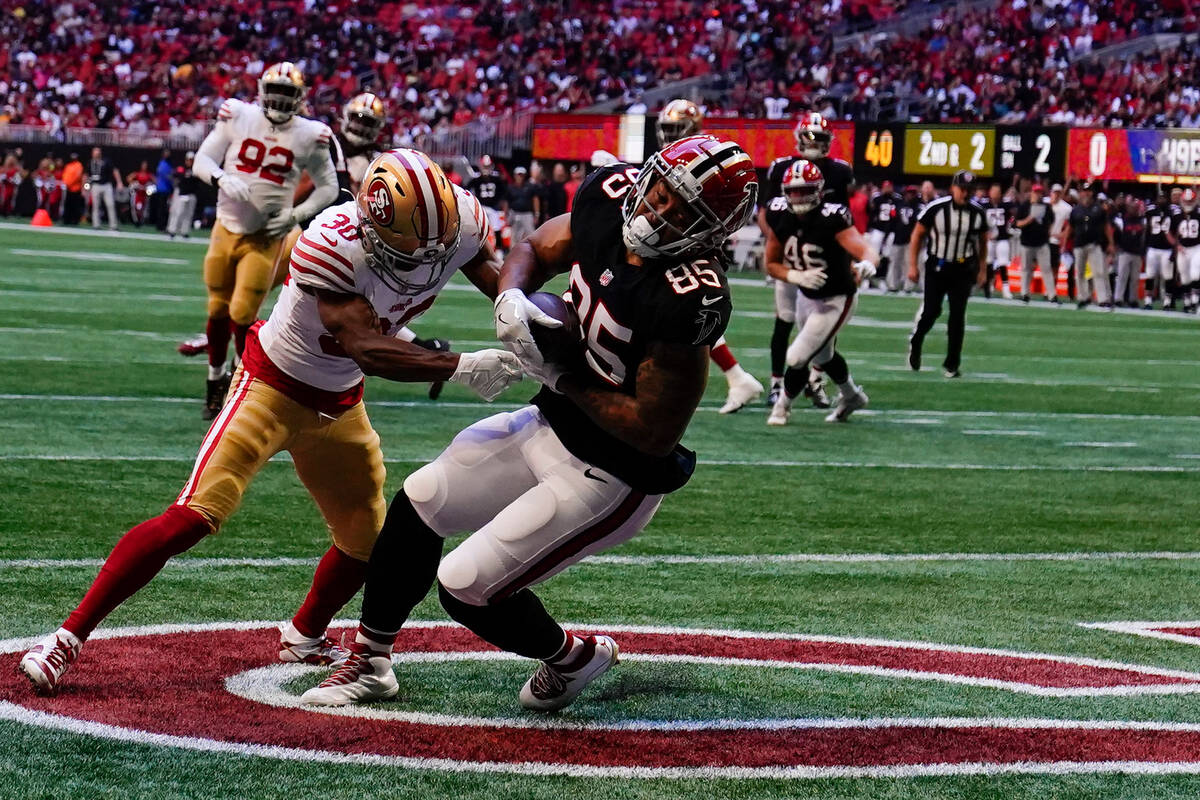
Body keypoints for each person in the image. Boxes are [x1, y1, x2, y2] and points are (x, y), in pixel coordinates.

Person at [18, 149, 523, 696]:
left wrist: (525, 318)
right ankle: (66, 637)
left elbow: (495, 275)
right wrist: (459, 365)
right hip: (273, 387)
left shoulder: (459, 219)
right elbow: (365, 347)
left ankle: (304, 634)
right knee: (194, 516)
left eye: (441, 240)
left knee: (365, 541)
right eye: (414, 246)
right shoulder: (333, 242)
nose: (432, 256)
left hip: (340, 401)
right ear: (373, 228)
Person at [298, 135, 758, 712]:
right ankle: (370, 659)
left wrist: (563, 374)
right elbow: (538, 247)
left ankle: (573, 659)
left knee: (466, 587)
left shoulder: (688, 295)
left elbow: (651, 430)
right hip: (551, 420)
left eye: (680, 208)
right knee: (422, 499)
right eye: (660, 190)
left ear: (714, 228)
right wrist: (512, 297)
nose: (658, 209)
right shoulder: (611, 197)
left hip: (611, 471)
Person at [191, 61, 340, 418]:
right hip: (225, 227)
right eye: (275, 91)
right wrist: (221, 179)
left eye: (288, 93)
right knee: (215, 309)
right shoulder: (237, 115)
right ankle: (215, 380)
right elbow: (203, 159)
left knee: (242, 314)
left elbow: (329, 187)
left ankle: (243, 385)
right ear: (261, 90)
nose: (279, 99)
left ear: (300, 97)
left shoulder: (310, 133)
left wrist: (294, 215)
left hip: (265, 237)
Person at [638, 97, 762, 414]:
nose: (669, 134)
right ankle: (737, 377)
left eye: (676, 128)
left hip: (688, 242)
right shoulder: (671, 156)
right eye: (666, 128)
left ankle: (734, 378)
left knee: (685, 319)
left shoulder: (704, 157)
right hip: (671, 240)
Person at [763, 160, 878, 426]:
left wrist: (868, 263)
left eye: (804, 191)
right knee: (823, 356)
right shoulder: (780, 216)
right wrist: (795, 276)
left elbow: (864, 248)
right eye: (793, 191)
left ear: (818, 191)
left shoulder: (832, 218)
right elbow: (770, 264)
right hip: (806, 294)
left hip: (837, 297)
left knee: (797, 355)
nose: (798, 197)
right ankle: (852, 395)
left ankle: (782, 408)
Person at [761, 113, 854, 407]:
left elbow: (844, 222)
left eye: (820, 137)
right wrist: (781, 246)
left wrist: (846, 257)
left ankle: (816, 380)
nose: (814, 142)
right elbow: (768, 215)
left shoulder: (839, 172)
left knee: (824, 327)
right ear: (799, 137)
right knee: (785, 320)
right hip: (791, 260)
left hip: (822, 261)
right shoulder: (780, 169)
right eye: (809, 136)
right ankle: (777, 383)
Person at [907, 170, 989, 379]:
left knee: (957, 316)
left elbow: (982, 241)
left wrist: (982, 269)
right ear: (953, 188)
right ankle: (917, 341)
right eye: (962, 189)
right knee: (931, 311)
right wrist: (913, 266)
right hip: (937, 266)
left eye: (969, 190)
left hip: (963, 269)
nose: (966, 193)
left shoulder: (978, 213)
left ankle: (952, 363)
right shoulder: (936, 208)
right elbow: (917, 235)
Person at [1062, 183, 1114, 309]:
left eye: (1088, 191)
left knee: (1098, 271)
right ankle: (1083, 297)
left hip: (1094, 244)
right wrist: (1064, 244)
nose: (1086, 193)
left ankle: (1102, 299)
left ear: (1092, 193)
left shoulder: (1099, 209)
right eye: (1084, 191)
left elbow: (1106, 227)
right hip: (1079, 244)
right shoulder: (1076, 210)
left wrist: (1111, 243)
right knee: (1079, 272)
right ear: (1080, 193)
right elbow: (1070, 228)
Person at [1014, 184, 1058, 303]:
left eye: (1040, 193)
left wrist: (1048, 231)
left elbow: (1052, 220)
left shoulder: (1046, 207)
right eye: (1036, 192)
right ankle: (1025, 293)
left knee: (1046, 269)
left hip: (1042, 242)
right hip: (1027, 242)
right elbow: (1017, 223)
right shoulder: (1025, 206)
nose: (1038, 195)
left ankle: (1052, 295)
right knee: (1026, 269)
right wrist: (1030, 219)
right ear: (1032, 193)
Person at [1144, 192, 1178, 310]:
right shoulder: (1151, 211)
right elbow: (1146, 229)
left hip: (1166, 249)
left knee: (1168, 277)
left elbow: (1176, 230)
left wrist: (1174, 248)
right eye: (1160, 198)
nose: (1161, 200)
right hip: (1153, 248)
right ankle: (1148, 301)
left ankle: (1167, 302)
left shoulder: (1172, 212)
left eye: (1163, 198)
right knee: (1150, 275)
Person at [982, 183, 1016, 299]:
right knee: (988, 263)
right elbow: (981, 222)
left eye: (997, 191)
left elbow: (1014, 215)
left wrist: (1010, 224)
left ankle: (1005, 289)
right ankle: (988, 287)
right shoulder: (984, 205)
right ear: (990, 192)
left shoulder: (1006, 205)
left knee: (1002, 263)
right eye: (993, 191)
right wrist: (985, 233)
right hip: (989, 239)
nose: (995, 194)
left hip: (1002, 238)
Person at [1111, 198, 1146, 307]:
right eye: (1132, 207)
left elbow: (1144, 237)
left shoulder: (1142, 221)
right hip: (1124, 251)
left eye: (1136, 208)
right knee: (1122, 276)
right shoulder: (1122, 220)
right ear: (1128, 208)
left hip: (1137, 252)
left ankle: (1133, 299)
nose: (1134, 210)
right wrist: (1116, 248)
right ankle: (1118, 298)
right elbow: (1115, 235)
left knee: (1135, 278)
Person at [865, 180, 899, 290]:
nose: (888, 189)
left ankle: (881, 278)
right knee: (873, 255)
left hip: (890, 232)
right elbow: (871, 215)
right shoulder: (877, 199)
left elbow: (897, 216)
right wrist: (869, 229)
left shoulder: (897, 199)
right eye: (886, 187)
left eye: (889, 187)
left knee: (886, 257)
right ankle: (868, 279)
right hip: (878, 230)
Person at [888, 185, 921, 292]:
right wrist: (889, 233)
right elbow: (892, 220)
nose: (911, 195)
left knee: (908, 263)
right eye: (909, 192)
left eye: (913, 193)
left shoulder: (918, 206)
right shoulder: (898, 204)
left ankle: (908, 286)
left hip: (910, 239)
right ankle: (893, 284)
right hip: (898, 237)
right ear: (905, 193)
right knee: (895, 262)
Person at [466, 154, 507, 239]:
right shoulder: (476, 178)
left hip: (493, 207)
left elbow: (503, 192)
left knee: (496, 227)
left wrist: (499, 203)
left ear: (491, 166)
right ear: (480, 166)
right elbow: (466, 190)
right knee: (478, 229)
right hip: (481, 207)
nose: (486, 168)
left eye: (487, 166)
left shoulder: (496, 178)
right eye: (484, 166)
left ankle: (499, 248)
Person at [1173, 188, 1200, 313]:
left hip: (1196, 247)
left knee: (1196, 273)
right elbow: (1172, 232)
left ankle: (1195, 301)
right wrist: (1177, 244)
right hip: (1183, 249)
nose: (1188, 203)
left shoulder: (1198, 213)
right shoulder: (1177, 215)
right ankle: (1187, 302)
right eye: (1186, 201)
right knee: (1184, 277)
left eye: (1190, 201)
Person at [1048, 183, 1073, 301]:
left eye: (1058, 192)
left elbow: (1070, 226)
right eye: (1054, 192)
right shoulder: (1045, 204)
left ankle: (1052, 292)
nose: (1056, 195)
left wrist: (1063, 236)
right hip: (1043, 240)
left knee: (1054, 268)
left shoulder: (1067, 208)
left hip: (1055, 241)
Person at [167, 152, 201, 239]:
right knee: (178, 213)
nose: (190, 162)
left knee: (188, 214)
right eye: (188, 160)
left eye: (191, 160)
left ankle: (184, 231)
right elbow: (173, 175)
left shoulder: (196, 170)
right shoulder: (181, 168)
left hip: (191, 194)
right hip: (181, 194)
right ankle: (172, 230)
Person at [87, 146, 122, 230]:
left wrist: (119, 182)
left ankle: (113, 225)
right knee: (96, 206)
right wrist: (84, 186)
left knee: (110, 205)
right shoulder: (90, 163)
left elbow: (115, 171)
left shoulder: (106, 161)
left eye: (98, 152)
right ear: (92, 153)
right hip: (95, 185)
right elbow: (86, 175)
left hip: (106, 185)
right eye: (95, 152)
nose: (97, 154)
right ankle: (96, 225)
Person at [505, 166, 538, 245]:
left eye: (522, 175)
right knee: (515, 235)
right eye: (518, 175)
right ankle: (514, 253)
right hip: (515, 213)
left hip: (527, 214)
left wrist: (537, 214)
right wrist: (506, 215)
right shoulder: (510, 187)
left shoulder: (530, 186)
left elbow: (535, 199)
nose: (520, 177)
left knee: (531, 235)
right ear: (515, 176)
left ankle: (531, 253)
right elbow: (506, 201)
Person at [126, 160, 155, 226]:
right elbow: (128, 178)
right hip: (137, 193)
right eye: (143, 165)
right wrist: (135, 184)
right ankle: (135, 220)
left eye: (146, 165)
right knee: (134, 206)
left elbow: (155, 182)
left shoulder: (149, 175)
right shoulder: (137, 173)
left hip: (145, 194)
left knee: (145, 207)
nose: (144, 167)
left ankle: (142, 220)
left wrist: (148, 186)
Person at [61, 152, 83, 225]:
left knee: (75, 205)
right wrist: (65, 183)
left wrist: (69, 184)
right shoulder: (68, 166)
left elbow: (78, 176)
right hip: (68, 188)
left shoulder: (78, 165)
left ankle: (75, 220)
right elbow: (64, 175)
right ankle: (66, 220)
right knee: (67, 205)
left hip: (75, 189)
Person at [154, 149, 173, 230]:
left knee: (163, 208)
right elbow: (167, 176)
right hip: (162, 189)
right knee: (162, 208)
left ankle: (161, 224)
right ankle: (160, 225)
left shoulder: (167, 164)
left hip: (166, 189)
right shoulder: (163, 164)